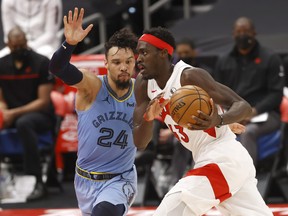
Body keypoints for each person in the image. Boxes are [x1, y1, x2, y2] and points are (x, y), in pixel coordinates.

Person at [133, 26, 273, 215]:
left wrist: (220, 119)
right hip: (208, 158)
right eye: (137, 53)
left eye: (144, 52)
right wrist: (148, 119)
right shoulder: (143, 84)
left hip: (223, 157)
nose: (138, 58)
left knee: (172, 208)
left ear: (163, 53)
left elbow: (243, 106)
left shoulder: (189, 76)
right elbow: (140, 143)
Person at [49, 8, 138, 216]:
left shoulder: (142, 89)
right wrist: (69, 45)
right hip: (84, 179)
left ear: (135, 62)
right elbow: (57, 68)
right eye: (117, 62)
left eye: (128, 61)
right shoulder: (92, 85)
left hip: (121, 178)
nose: (123, 67)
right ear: (105, 63)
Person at [213, 17, 285, 166]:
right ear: (233, 34)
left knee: (248, 131)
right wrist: (230, 115)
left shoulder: (270, 58)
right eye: (239, 32)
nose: (242, 35)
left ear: (254, 33)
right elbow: (216, 92)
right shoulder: (224, 60)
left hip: (264, 115)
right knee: (208, 131)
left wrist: (253, 111)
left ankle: (248, 177)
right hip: (232, 113)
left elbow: (276, 94)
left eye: (246, 31)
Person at [0, 26, 55, 201]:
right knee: (18, 121)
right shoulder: (2, 65)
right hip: (11, 115)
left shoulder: (41, 62)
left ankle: (37, 181)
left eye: (21, 46)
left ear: (26, 42)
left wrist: (13, 113)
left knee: (24, 122)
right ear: (7, 44)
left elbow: (43, 101)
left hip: (40, 115)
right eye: (14, 47)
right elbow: (1, 99)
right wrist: (3, 111)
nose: (18, 50)